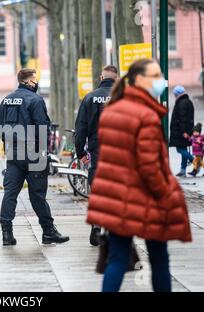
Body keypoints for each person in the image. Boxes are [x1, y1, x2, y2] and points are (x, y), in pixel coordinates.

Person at [87, 59, 192, 292]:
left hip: (115, 196)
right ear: (139, 80)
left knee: (116, 258)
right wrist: (166, 195)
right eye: (155, 76)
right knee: (159, 260)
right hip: (144, 198)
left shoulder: (113, 110)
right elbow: (150, 165)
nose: (160, 81)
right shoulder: (146, 115)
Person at [0, 68, 70, 246]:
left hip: (14, 154)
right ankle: (48, 232)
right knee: (37, 195)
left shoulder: (6, 100)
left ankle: (7, 233)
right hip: (34, 153)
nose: (36, 83)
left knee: (10, 194)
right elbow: (42, 129)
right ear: (29, 82)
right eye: (35, 80)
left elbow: (1, 129)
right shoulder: (35, 100)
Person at [75, 65, 119, 246]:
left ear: (101, 77)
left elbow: (80, 129)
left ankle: (96, 223)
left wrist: (80, 153)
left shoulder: (90, 98)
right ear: (116, 79)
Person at [169, 86, 195, 178]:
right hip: (186, 130)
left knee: (180, 149)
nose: (174, 96)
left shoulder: (181, 103)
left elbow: (182, 118)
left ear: (177, 94)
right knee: (183, 148)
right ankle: (183, 170)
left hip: (180, 131)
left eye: (175, 94)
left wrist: (184, 131)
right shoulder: (187, 101)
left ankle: (195, 161)